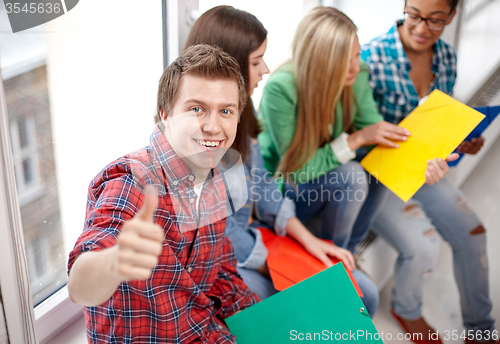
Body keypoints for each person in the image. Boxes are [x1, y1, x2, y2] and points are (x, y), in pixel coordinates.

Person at [258, 6, 455, 319]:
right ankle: (335, 266)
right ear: (321, 61)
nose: (356, 65)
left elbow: (379, 133)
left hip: (324, 179)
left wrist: (429, 156)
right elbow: (298, 170)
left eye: (357, 54)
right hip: (286, 192)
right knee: (351, 174)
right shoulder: (282, 89)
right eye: (345, 59)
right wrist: (355, 139)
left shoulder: (356, 75)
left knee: (376, 167)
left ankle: (345, 255)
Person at [67, 44, 259, 343]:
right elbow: (79, 286)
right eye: (196, 109)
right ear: (165, 114)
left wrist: (267, 322)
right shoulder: (131, 182)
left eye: (225, 111)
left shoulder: (215, 177)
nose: (212, 126)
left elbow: (220, 273)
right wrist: (115, 260)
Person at [182, 5, 362, 310]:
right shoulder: (193, 139)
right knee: (317, 303)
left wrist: (308, 241)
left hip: (252, 242)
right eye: (256, 61)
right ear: (229, 67)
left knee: (358, 294)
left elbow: (263, 187)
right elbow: (219, 235)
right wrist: (276, 266)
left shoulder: (242, 114)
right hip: (219, 264)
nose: (265, 69)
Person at [361, 1, 495, 343]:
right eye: (415, 16)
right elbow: (352, 134)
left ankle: (481, 330)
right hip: (378, 175)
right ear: (404, 7)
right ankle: (405, 310)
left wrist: (458, 144)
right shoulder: (369, 58)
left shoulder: (446, 59)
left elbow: (437, 122)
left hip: (422, 167)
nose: (422, 29)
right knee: (423, 244)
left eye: (436, 21)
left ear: (451, 17)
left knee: (474, 234)